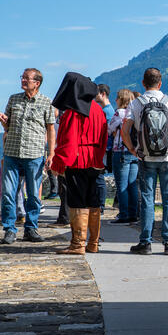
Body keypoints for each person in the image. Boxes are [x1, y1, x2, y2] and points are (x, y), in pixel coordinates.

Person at [121, 68, 168, 255]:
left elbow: (125, 131)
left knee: (147, 200)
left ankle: (146, 243)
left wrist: (133, 149)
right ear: (160, 83)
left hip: (145, 157)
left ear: (143, 83)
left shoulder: (136, 104)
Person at [0, 68, 55, 244]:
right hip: (12, 153)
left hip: (34, 154)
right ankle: (9, 229)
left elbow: (51, 130)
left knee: (33, 195)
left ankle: (31, 228)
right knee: (8, 193)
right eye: (22, 77)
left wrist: (51, 153)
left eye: (26, 78)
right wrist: (3, 122)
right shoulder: (13, 99)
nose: (23, 80)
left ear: (37, 83)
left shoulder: (46, 102)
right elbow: (7, 128)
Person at [50, 73, 107, 254]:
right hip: (94, 159)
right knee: (93, 201)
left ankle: (77, 244)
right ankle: (93, 243)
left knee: (77, 202)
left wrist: (58, 163)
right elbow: (104, 137)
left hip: (77, 160)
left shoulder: (73, 112)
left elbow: (68, 141)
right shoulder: (97, 109)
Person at [108, 89, 138, 225]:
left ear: (121, 99)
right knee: (132, 185)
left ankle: (123, 214)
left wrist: (114, 131)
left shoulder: (119, 113)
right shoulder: (135, 112)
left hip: (120, 151)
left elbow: (108, 129)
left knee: (122, 185)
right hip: (134, 152)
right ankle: (134, 214)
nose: (115, 100)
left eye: (117, 97)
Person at [94, 84, 115, 213]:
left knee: (99, 176)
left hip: (105, 148)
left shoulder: (106, 111)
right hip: (106, 147)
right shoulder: (109, 110)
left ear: (102, 93)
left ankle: (100, 205)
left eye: (96, 93)